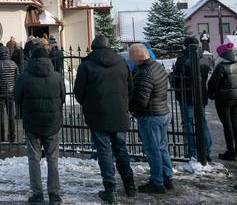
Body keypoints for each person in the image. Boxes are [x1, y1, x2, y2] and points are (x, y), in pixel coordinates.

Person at [73, 35, 135, 203]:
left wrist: (89, 103)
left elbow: (78, 92)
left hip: (97, 114)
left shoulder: (87, 65)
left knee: (104, 150)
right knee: (121, 149)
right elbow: (130, 88)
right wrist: (123, 103)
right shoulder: (122, 63)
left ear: (93, 47)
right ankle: (129, 185)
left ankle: (110, 188)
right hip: (120, 113)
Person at [14, 46, 65, 205]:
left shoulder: (24, 77)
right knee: (53, 158)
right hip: (52, 123)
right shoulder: (57, 77)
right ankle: (54, 193)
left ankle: (37, 193)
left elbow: (17, 97)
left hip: (32, 123)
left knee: (34, 159)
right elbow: (62, 97)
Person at [129, 44, 173, 194]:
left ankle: (157, 182)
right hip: (163, 113)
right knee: (162, 148)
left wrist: (132, 109)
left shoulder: (144, 73)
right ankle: (167, 178)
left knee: (153, 151)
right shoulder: (158, 67)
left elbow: (141, 100)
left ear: (137, 58)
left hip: (150, 116)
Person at [172, 37, 212, 160]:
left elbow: (176, 78)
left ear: (186, 46)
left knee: (188, 124)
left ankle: (192, 150)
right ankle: (206, 150)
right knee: (202, 123)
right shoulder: (204, 59)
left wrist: (175, 83)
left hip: (186, 96)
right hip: (200, 96)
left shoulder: (182, 59)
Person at [208, 42, 237, 161]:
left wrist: (211, 94)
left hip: (223, 99)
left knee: (227, 124)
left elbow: (213, 83)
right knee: (235, 123)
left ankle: (231, 152)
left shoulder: (221, 66)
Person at [0, 46, 18, 142]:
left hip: (0, 92)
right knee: (11, 115)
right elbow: (17, 78)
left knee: (0, 115)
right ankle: (12, 136)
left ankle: (1, 136)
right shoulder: (14, 64)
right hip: (11, 92)